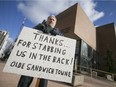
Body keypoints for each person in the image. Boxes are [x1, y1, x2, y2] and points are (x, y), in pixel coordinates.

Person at [17, 15, 63, 87]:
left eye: (53, 20)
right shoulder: (40, 26)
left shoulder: (58, 31)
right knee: (25, 80)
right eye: (50, 19)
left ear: (55, 22)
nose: (51, 20)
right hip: (33, 58)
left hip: (47, 60)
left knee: (43, 83)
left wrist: (56, 33)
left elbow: (63, 42)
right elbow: (28, 34)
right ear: (47, 20)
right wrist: (39, 28)